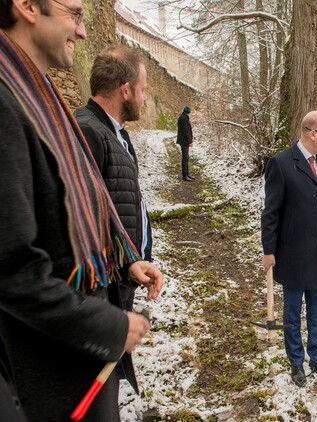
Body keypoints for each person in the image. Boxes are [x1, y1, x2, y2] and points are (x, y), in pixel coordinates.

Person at [0, 0, 163, 420]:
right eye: (75, 13)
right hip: (51, 368)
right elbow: (11, 266)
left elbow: (72, 215)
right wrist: (106, 325)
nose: (83, 30)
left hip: (76, 349)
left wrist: (125, 263)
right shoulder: (8, 103)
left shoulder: (40, 100)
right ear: (27, 6)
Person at [74, 46, 153, 395]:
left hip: (121, 274)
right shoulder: (88, 131)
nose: (145, 97)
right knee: (95, 375)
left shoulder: (115, 132)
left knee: (110, 369)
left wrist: (132, 262)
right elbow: (84, 222)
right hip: (101, 285)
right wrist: (121, 266)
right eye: (142, 88)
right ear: (125, 90)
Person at [261, 111, 317, 387]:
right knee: (293, 315)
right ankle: (296, 362)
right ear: (312, 134)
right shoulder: (281, 163)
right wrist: (268, 249)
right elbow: (270, 212)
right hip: (293, 254)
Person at [177, 106, 194, 181]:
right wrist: (189, 141)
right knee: (185, 157)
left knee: (186, 157)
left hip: (184, 141)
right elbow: (186, 131)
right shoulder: (183, 118)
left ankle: (187, 173)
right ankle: (185, 175)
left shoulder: (183, 117)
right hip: (184, 141)